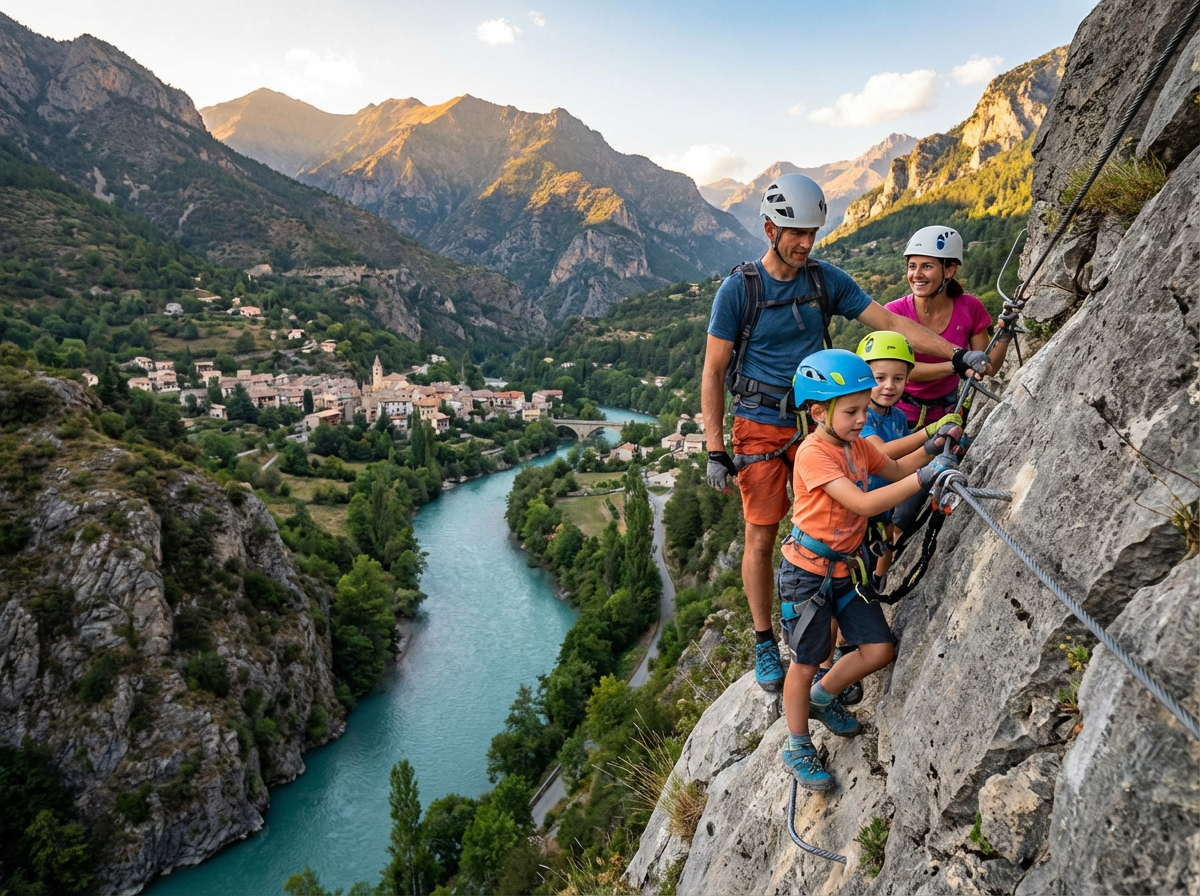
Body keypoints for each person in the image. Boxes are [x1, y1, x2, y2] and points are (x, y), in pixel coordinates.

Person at [701, 176, 990, 693]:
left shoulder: (823, 280)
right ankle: (766, 639)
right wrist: (715, 449)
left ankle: (831, 648)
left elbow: (888, 323)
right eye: (795, 233)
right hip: (762, 424)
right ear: (769, 228)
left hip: (825, 425)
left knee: (839, 525)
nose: (806, 243)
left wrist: (956, 355)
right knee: (764, 532)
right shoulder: (740, 289)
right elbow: (713, 369)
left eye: (812, 232)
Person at [776, 349, 959, 790]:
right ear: (819, 412)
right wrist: (927, 475)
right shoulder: (813, 454)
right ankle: (796, 744)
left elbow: (894, 468)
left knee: (879, 650)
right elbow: (861, 502)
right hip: (807, 576)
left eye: (864, 407)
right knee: (805, 661)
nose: (862, 418)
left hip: (845, 570)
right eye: (852, 410)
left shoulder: (856, 446)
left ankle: (823, 698)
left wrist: (933, 446)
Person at [886, 226, 1012, 430]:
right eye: (912, 266)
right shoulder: (894, 313)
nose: (916, 275)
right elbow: (897, 372)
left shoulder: (970, 308)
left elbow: (988, 367)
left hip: (946, 414)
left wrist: (1004, 336)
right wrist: (957, 364)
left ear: (949, 270)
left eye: (926, 266)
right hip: (898, 415)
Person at [857, 330, 961, 576]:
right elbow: (880, 452)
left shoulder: (898, 417)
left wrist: (942, 444)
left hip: (885, 504)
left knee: (887, 539)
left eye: (898, 379)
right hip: (858, 506)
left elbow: (905, 458)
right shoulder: (857, 416)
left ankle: (879, 581)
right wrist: (930, 432)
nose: (889, 386)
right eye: (879, 378)